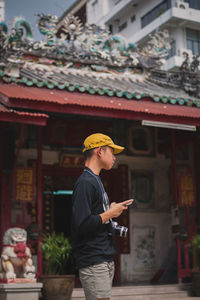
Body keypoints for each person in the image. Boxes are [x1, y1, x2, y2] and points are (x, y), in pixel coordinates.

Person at [71, 133, 133, 300]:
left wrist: (110, 211)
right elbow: (82, 225)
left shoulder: (95, 180)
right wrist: (109, 213)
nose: (114, 157)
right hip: (93, 258)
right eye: (112, 152)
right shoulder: (85, 182)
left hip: (102, 257)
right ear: (99, 151)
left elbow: (97, 218)